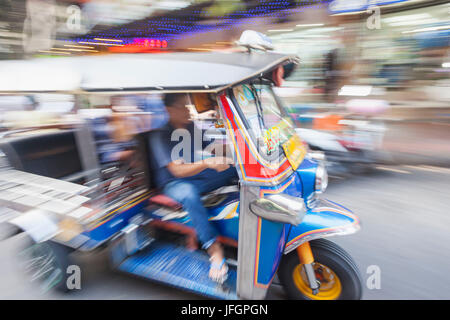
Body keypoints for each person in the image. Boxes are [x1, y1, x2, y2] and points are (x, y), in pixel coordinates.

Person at [147, 93, 237, 283]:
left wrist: (239, 151)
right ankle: (214, 250)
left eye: (189, 106)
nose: (189, 111)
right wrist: (208, 162)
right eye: (183, 106)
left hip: (196, 177)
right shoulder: (160, 135)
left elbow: (213, 148)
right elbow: (177, 170)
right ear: (169, 110)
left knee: (234, 169)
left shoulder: (191, 127)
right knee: (189, 193)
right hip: (173, 183)